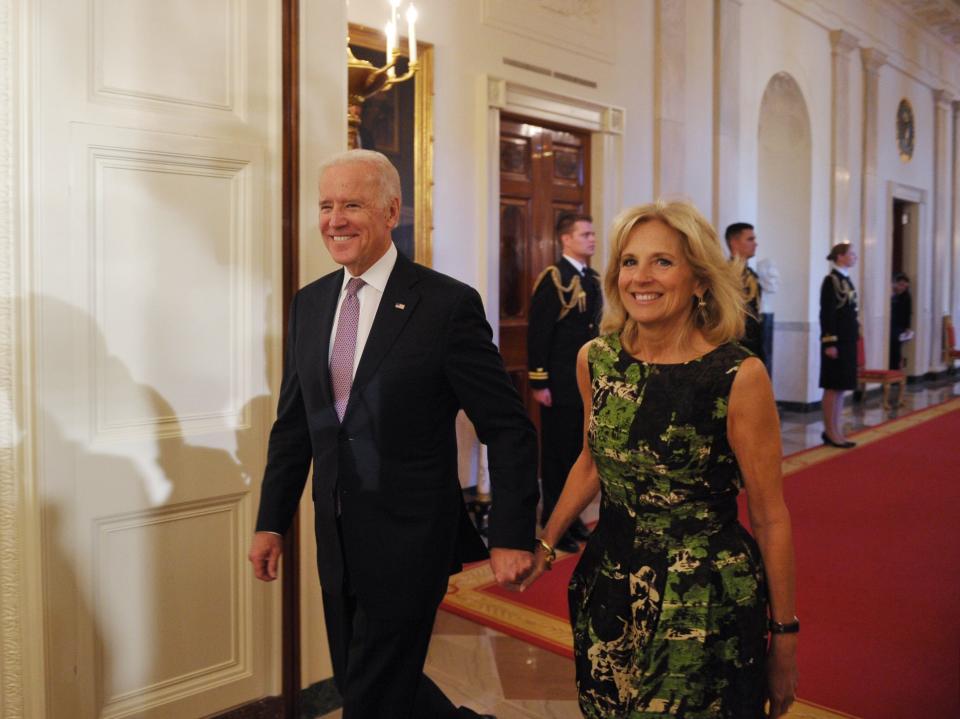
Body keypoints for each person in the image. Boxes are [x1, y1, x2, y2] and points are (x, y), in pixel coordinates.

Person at [248, 149, 539, 719]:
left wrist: (511, 533)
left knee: (373, 695)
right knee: (370, 679)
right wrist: (269, 520)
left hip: (411, 538)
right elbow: (294, 428)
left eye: (352, 204)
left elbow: (507, 428)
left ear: (391, 210)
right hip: (334, 537)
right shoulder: (310, 303)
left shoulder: (446, 304)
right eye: (327, 205)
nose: (335, 220)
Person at [522, 200, 799, 718]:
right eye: (630, 261)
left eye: (662, 262)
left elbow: (769, 514)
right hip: (609, 584)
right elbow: (590, 460)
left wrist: (783, 638)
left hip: (704, 597)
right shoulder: (596, 360)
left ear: (699, 279)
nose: (641, 277)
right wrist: (546, 541)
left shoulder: (737, 376)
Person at [527, 212, 602, 553]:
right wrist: (539, 381)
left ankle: (573, 518)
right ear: (566, 239)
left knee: (578, 453)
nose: (592, 239)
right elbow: (540, 333)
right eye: (585, 234)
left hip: (584, 382)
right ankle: (556, 521)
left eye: (592, 234)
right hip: (558, 383)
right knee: (558, 457)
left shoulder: (591, 278)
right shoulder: (554, 279)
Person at [819, 243, 859, 448]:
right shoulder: (831, 281)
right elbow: (827, 314)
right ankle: (829, 431)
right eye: (852, 254)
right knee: (832, 386)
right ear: (840, 256)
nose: (855, 257)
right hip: (835, 342)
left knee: (842, 387)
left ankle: (836, 429)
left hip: (847, 341)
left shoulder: (846, 279)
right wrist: (830, 342)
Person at [725, 222, 765, 364]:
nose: (755, 244)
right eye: (750, 239)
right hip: (735, 343)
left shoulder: (750, 275)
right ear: (734, 242)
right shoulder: (725, 274)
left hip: (753, 341)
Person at [889, 272, 912, 370]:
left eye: (904, 285)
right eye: (900, 284)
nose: (902, 287)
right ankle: (892, 368)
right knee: (891, 348)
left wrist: (907, 327)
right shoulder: (891, 295)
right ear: (895, 283)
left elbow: (908, 313)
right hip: (890, 325)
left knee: (896, 348)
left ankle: (896, 370)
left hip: (899, 327)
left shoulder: (906, 297)